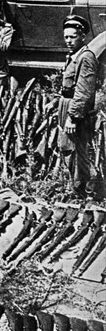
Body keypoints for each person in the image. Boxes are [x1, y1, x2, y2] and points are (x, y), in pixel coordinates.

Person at [58, 15, 100, 200]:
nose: (68, 41)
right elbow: (70, 87)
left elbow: (84, 91)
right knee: (69, 150)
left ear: (82, 37)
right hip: (68, 106)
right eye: (66, 37)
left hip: (77, 112)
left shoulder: (86, 58)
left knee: (80, 153)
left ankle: (89, 193)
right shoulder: (73, 56)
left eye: (72, 37)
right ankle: (78, 190)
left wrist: (73, 117)